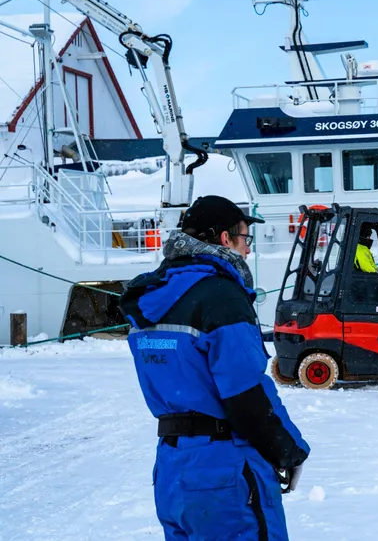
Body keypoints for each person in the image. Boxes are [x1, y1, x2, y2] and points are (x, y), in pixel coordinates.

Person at [120, 195, 310, 540]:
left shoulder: (151, 297)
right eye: (244, 238)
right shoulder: (221, 297)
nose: (248, 251)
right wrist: (288, 450)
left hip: (172, 470)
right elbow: (245, 392)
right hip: (223, 473)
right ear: (225, 239)